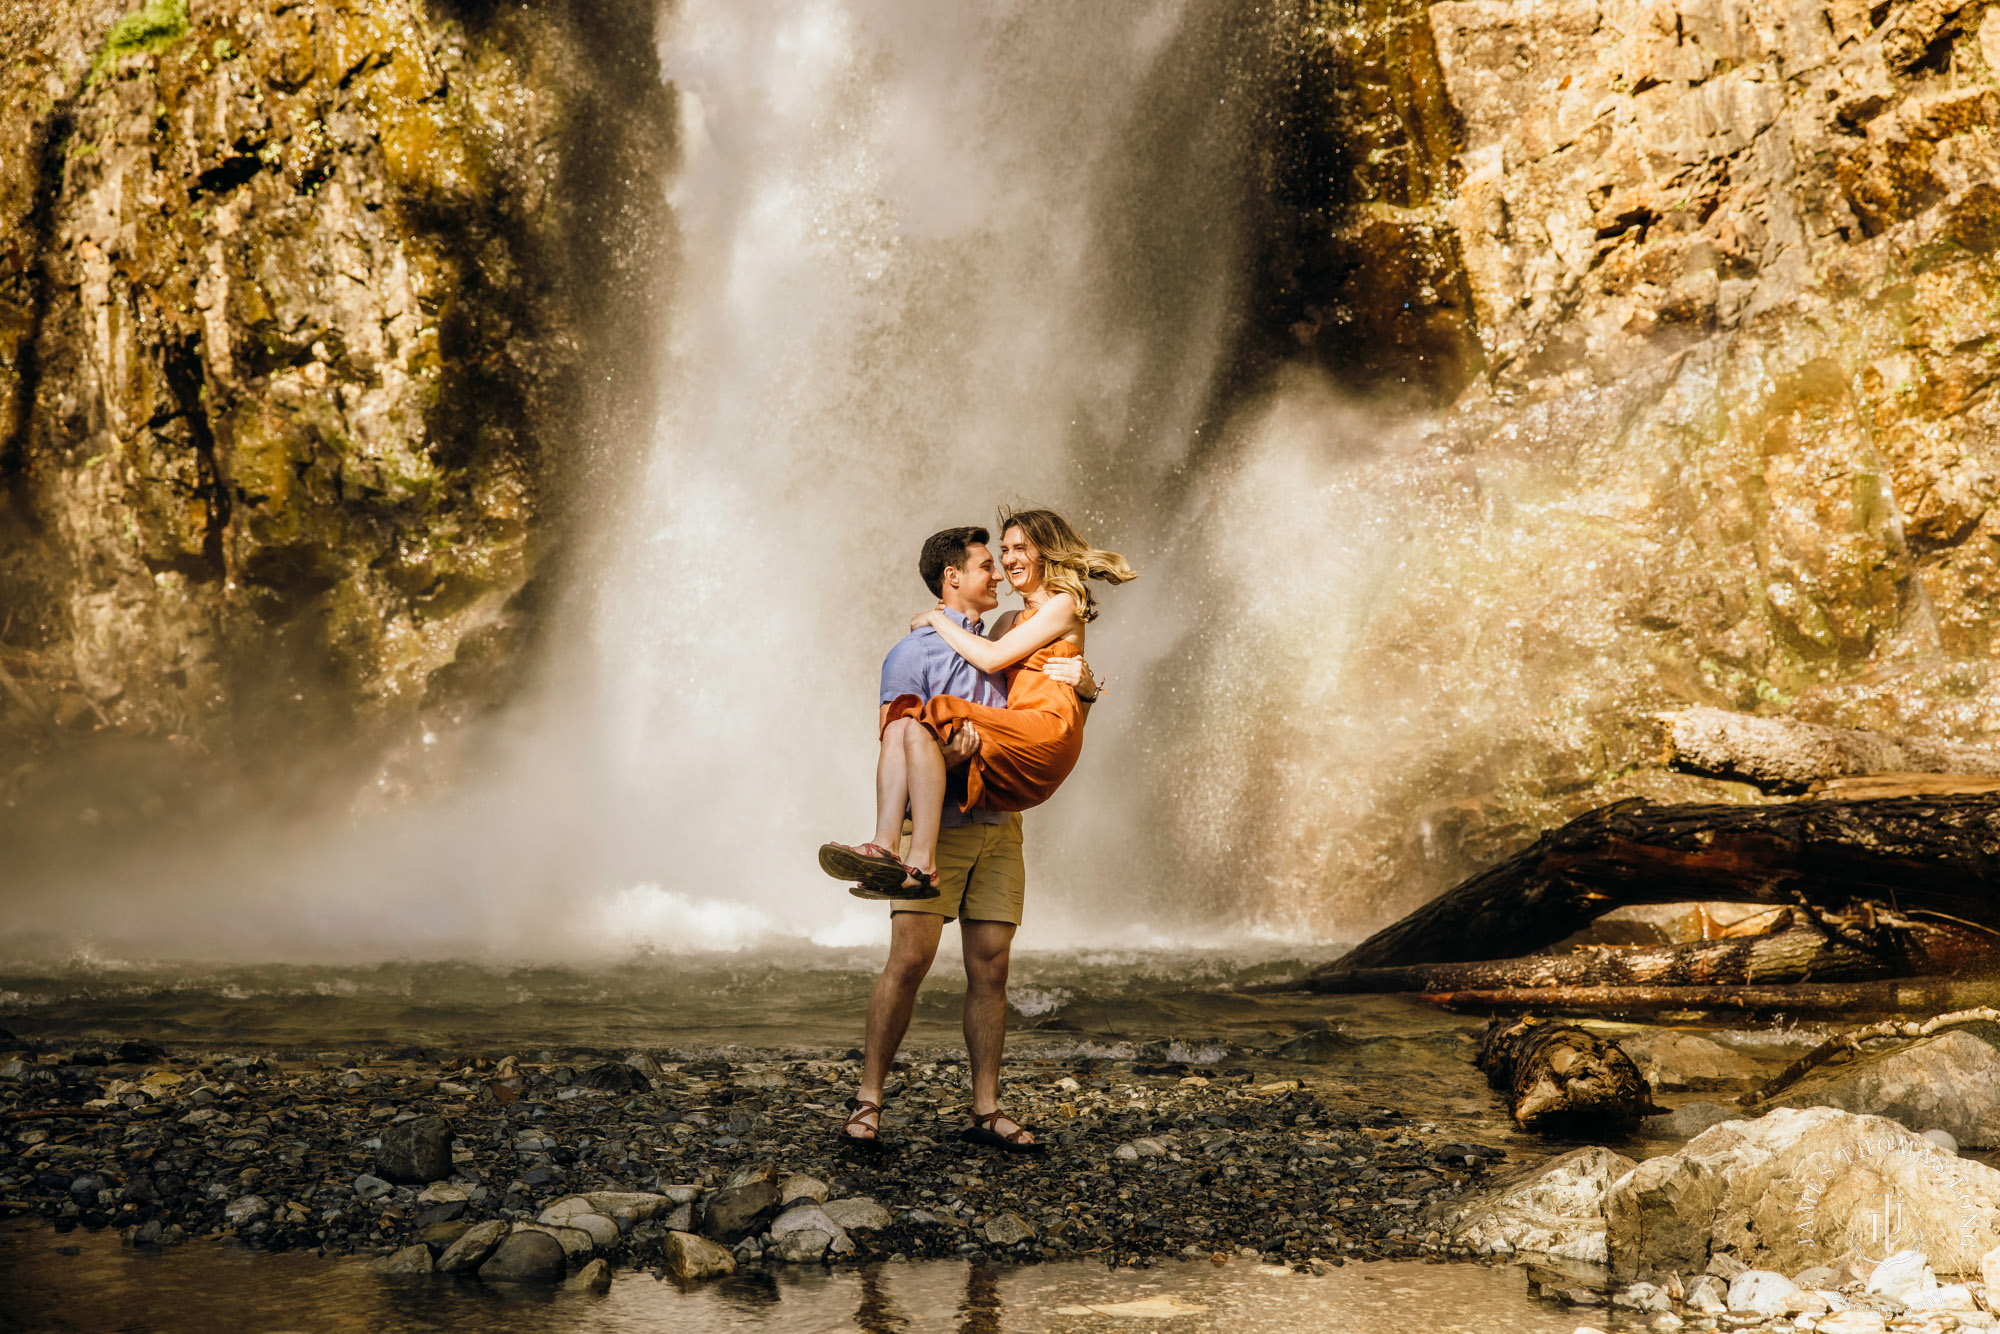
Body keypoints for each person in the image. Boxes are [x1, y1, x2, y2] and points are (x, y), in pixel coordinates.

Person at [822, 513, 1134, 1153]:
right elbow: (898, 741)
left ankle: (986, 1108)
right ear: (951, 576)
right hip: (942, 829)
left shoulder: (1001, 635)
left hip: (999, 825)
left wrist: (1091, 688)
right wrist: (950, 759)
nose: (1001, 567)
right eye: (991, 560)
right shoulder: (912, 652)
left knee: (991, 969)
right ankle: (867, 1099)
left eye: (1012, 554)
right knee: (908, 963)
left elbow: (1041, 699)